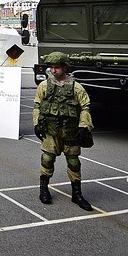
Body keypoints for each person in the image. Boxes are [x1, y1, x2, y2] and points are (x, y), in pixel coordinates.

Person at [33, 51, 94, 211]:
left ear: (65, 68)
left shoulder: (76, 87)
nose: (53, 71)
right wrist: (36, 124)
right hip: (51, 132)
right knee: (47, 159)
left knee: (74, 162)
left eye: (57, 67)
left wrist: (84, 126)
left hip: (71, 132)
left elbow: (85, 108)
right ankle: (44, 189)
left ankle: (77, 194)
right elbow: (37, 106)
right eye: (51, 67)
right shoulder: (44, 86)